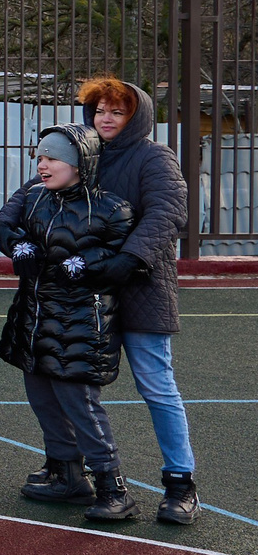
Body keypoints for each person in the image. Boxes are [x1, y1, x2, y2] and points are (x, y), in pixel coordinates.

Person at [0, 124, 139, 520]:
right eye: (40, 158)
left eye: (53, 158)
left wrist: (84, 263)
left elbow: (127, 260)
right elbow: (4, 224)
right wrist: (18, 243)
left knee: (81, 404)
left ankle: (114, 489)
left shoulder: (111, 207)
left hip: (81, 324)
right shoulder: (31, 195)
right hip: (34, 317)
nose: (43, 165)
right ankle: (67, 475)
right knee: (41, 396)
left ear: (80, 163)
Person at [76, 77, 199, 524]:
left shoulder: (154, 156)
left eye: (116, 111)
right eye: (99, 110)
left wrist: (128, 259)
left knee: (156, 386)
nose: (105, 118)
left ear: (136, 117)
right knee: (77, 385)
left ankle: (181, 483)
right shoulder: (83, 154)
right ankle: (90, 477)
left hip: (143, 288)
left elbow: (169, 211)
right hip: (88, 293)